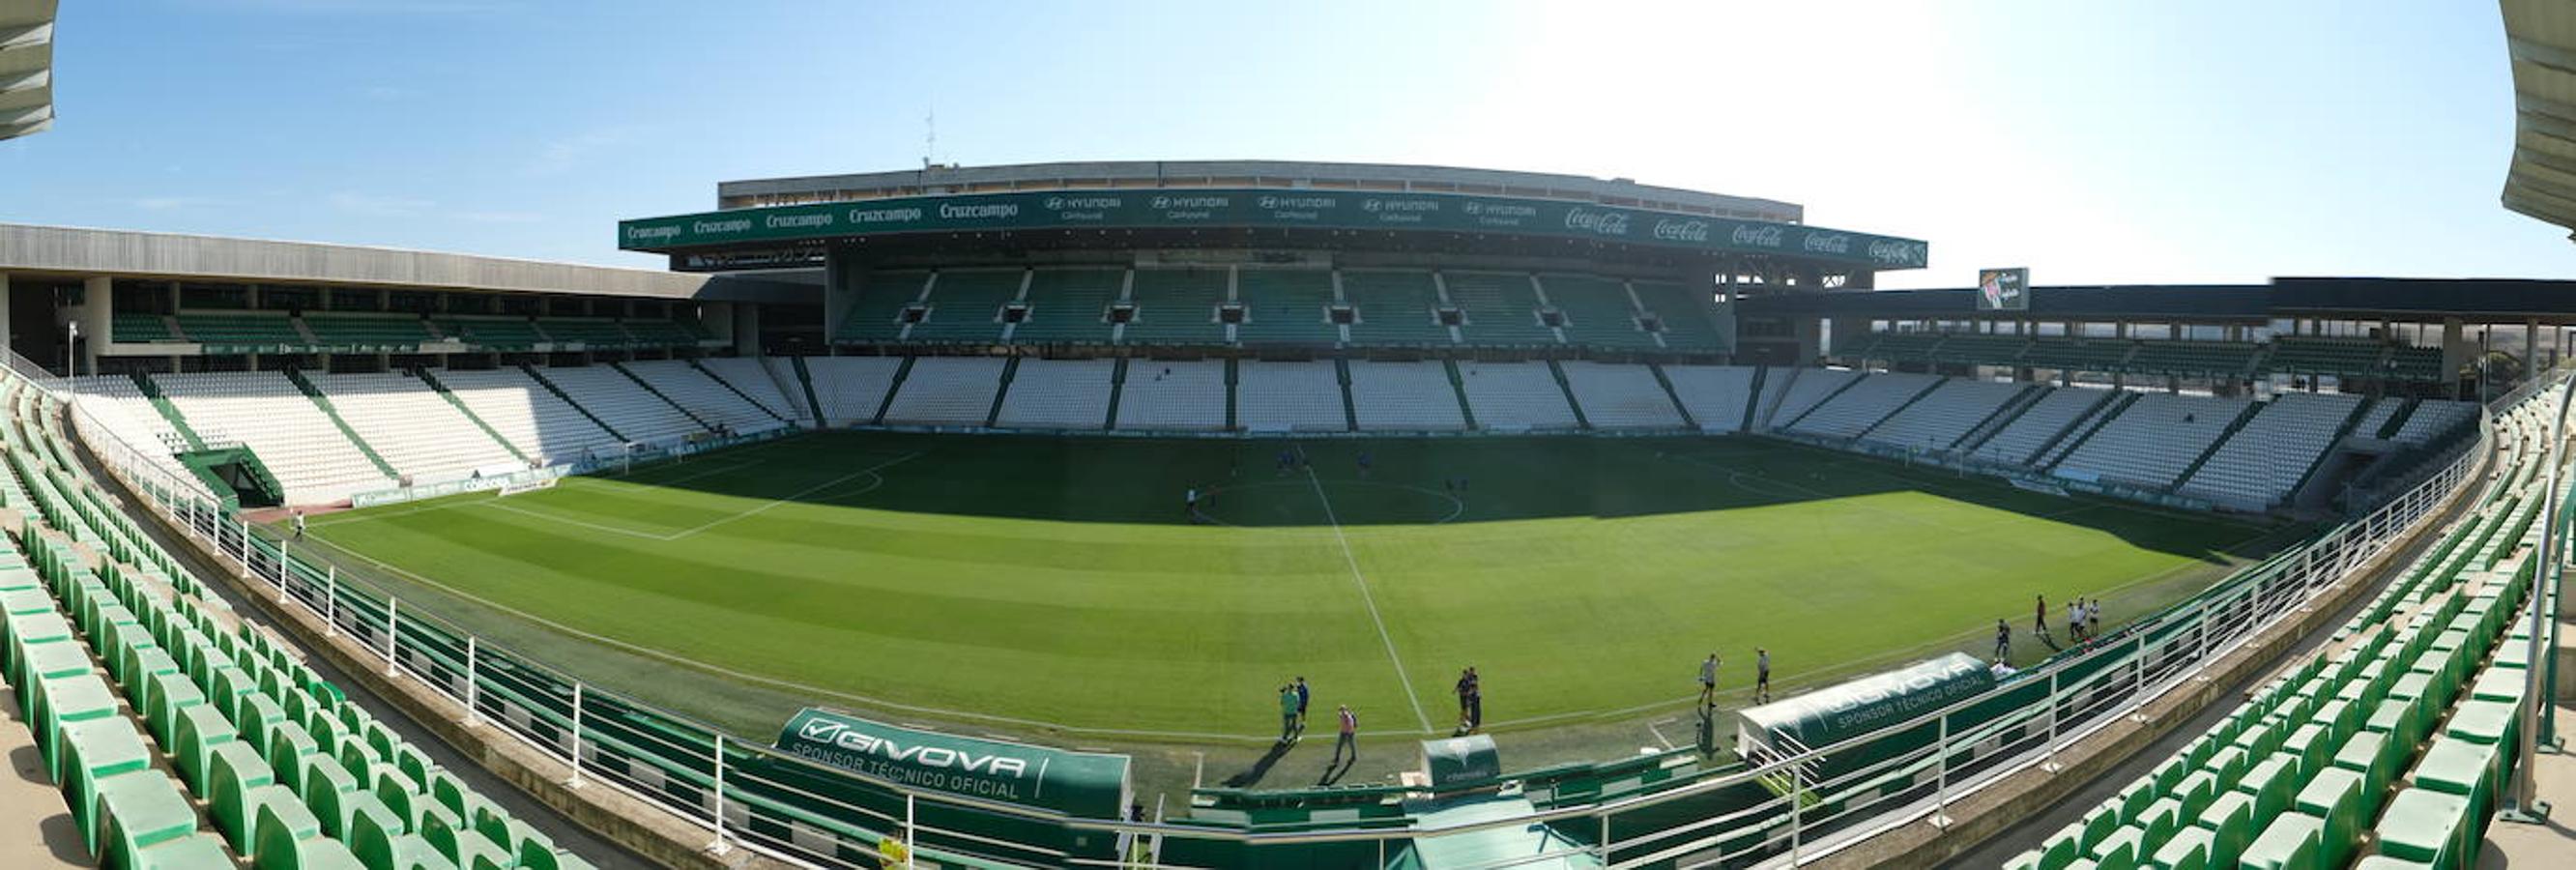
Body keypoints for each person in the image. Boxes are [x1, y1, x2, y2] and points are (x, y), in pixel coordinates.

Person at [1331, 704, 1359, 768]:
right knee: (1339, 746)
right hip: (1343, 732)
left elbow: (1351, 726)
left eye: (1342, 710)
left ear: (1345, 710)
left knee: (1351, 745)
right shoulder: (1342, 715)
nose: (1341, 711)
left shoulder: (1347, 718)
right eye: (1341, 710)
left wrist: (1348, 734)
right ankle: (1337, 758)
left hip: (1349, 733)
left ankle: (1353, 757)